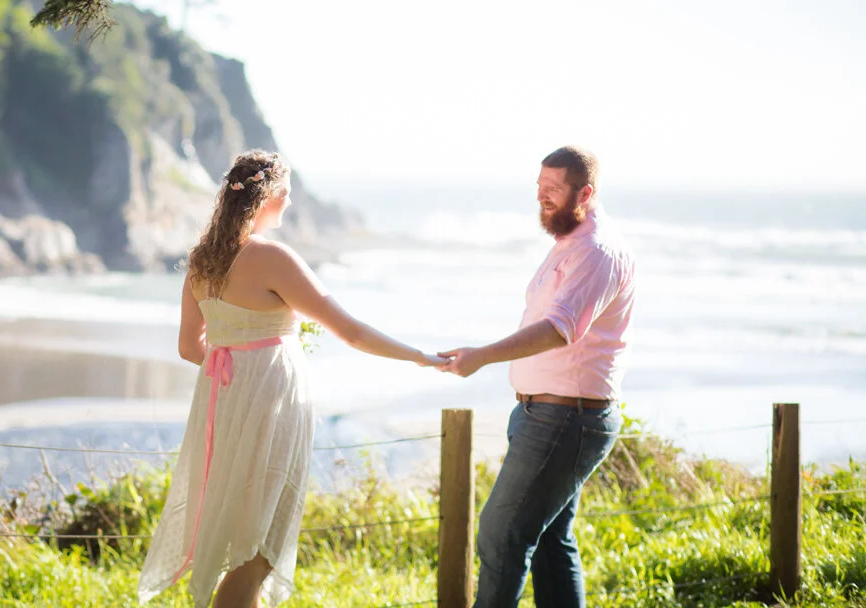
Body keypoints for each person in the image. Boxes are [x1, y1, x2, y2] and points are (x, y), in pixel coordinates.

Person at [138, 149, 446, 608]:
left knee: (246, 536)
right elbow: (352, 332)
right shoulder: (273, 258)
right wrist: (420, 356)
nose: (289, 206)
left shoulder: (203, 261)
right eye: (288, 197)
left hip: (224, 405)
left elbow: (189, 346)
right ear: (274, 197)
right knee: (260, 550)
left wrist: (234, 369)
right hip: (272, 406)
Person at [437, 146, 636, 608]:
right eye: (539, 187)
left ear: (584, 193)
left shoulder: (596, 251)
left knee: (500, 534)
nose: (542, 198)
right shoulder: (570, 242)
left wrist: (482, 356)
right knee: (549, 541)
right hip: (545, 415)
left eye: (553, 190)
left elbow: (558, 329)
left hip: (565, 420)